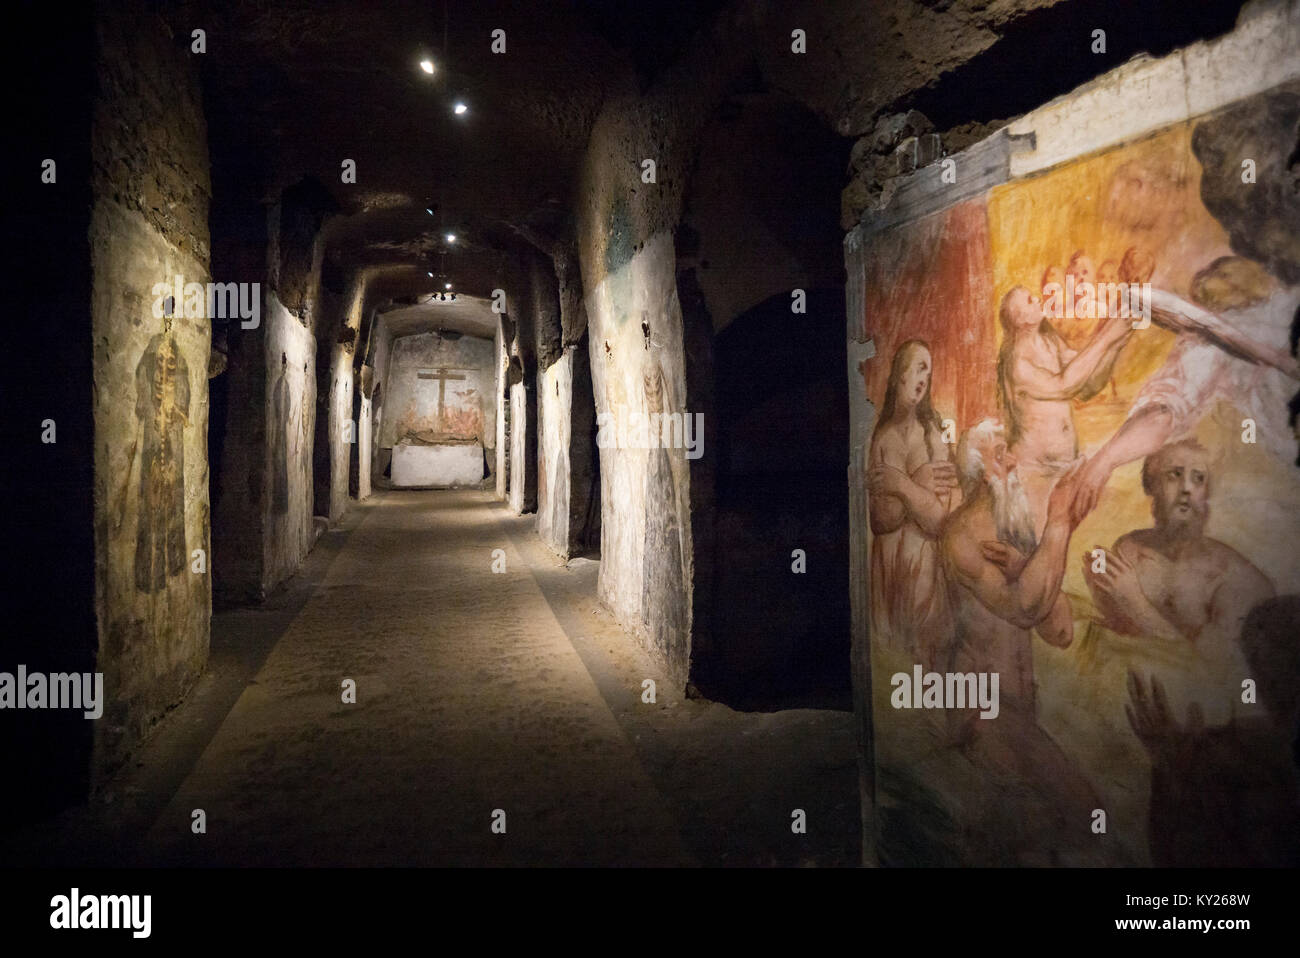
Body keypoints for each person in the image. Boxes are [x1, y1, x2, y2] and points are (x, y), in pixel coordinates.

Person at [1083, 438, 1272, 725]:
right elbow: (1120, 638)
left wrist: (1136, 602)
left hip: (1205, 727)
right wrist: (1102, 595)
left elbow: (1222, 678)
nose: (1186, 489)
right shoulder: (1130, 548)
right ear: (1151, 486)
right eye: (1174, 475)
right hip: (1133, 711)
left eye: (1199, 479)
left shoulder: (1236, 578)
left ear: (1207, 493)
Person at [995, 285, 1130, 531]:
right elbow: (1064, 385)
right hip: (1034, 473)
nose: (1036, 298)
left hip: (1064, 468)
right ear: (1020, 319)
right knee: (1036, 542)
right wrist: (1107, 337)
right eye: (1028, 299)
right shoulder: (1017, 362)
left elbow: (1089, 385)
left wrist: (1116, 345)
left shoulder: (1050, 342)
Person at [867, 340, 958, 669]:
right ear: (897, 375)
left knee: (924, 662)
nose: (923, 379)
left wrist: (903, 485)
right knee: (892, 663)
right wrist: (919, 491)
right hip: (888, 571)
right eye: (918, 367)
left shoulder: (933, 436)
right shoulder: (882, 439)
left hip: (924, 571)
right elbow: (880, 519)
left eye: (928, 373)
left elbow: (938, 521)